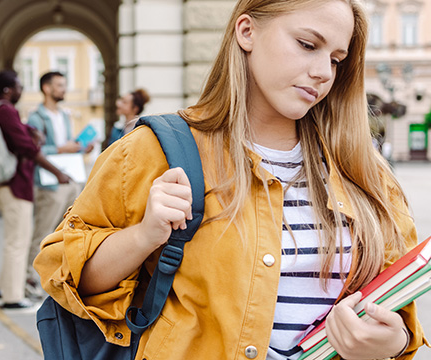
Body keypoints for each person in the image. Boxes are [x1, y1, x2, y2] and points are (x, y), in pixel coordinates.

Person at [34, 0, 427, 358]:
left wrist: (392, 342)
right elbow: (67, 276)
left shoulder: (364, 172)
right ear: (246, 31)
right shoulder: (157, 150)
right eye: (308, 45)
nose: (323, 73)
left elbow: (397, 310)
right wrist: (143, 236)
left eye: (337, 59)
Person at [0, 70, 69, 312]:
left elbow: (23, 136)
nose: (21, 91)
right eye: (18, 86)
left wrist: (29, 132)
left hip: (7, 184)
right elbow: (26, 147)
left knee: (15, 240)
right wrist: (58, 173)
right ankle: (13, 298)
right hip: (14, 185)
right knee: (18, 242)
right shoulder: (5, 110)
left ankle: (3, 290)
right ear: (8, 90)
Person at [26, 71, 94, 297]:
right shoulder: (36, 118)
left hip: (70, 181)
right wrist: (62, 149)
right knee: (41, 232)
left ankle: (52, 277)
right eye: (59, 85)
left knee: (61, 233)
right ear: (46, 88)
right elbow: (35, 151)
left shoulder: (64, 116)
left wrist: (82, 148)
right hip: (49, 185)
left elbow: (68, 146)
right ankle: (28, 278)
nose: (64, 89)